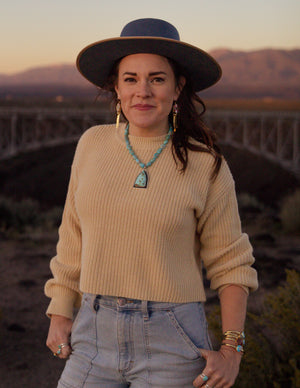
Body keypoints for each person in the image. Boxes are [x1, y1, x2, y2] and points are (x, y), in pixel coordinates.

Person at [45, 18, 258, 388]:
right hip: (93, 331)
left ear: (178, 88)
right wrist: (60, 310)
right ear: (116, 87)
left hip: (173, 339)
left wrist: (232, 350)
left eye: (157, 79)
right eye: (131, 79)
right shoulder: (92, 145)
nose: (142, 91)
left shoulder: (205, 164)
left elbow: (231, 264)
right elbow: (72, 235)